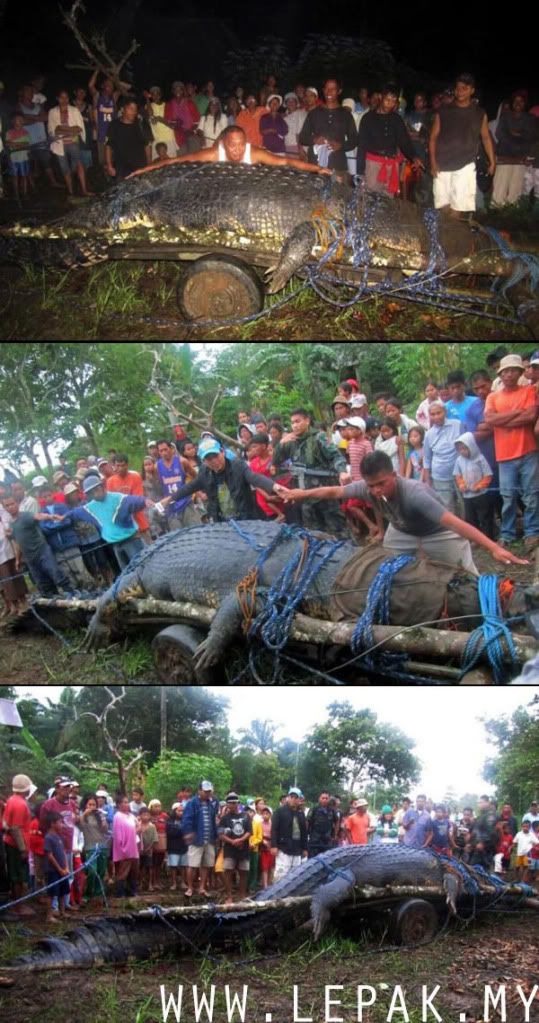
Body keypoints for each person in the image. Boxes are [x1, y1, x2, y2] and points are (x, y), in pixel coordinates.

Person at [275, 450, 528, 574]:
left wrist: (492, 547)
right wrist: (301, 494)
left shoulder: (415, 493)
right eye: (371, 485)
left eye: (382, 483)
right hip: (401, 531)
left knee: (468, 576)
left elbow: (455, 523)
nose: (375, 490)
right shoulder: (367, 487)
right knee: (389, 568)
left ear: (394, 475)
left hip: (438, 533)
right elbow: (334, 492)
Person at [128, 124, 331, 178]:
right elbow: (176, 161)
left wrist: (317, 168)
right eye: (232, 145)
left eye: (241, 144)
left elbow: (286, 161)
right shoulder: (214, 154)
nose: (237, 150)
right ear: (224, 144)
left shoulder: (254, 153)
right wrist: (144, 169)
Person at [485, 354, 539, 550]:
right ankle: (507, 534)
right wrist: (517, 413)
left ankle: (532, 532)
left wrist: (504, 420)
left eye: (513, 370)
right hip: (505, 455)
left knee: (531, 495)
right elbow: (490, 420)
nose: (509, 374)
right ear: (500, 374)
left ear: (520, 372)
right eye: (505, 371)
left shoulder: (529, 391)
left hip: (528, 451)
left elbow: (531, 415)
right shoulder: (493, 396)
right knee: (508, 496)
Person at [272, 409, 349, 536]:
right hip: (305, 497)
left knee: (338, 529)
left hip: (325, 492)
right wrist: (281, 444)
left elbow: (336, 456)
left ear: (307, 421)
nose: (295, 425)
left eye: (298, 421)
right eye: (292, 423)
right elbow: (275, 463)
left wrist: (342, 472)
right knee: (313, 533)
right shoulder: (290, 441)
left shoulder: (319, 437)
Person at [167, 437, 278, 523]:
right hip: (222, 522)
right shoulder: (204, 473)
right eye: (209, 459)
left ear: (222, 452)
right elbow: (189, 488)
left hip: (247, 518)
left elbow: (254, 477)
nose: (214, 461)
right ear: (204, 461)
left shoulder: (238, 466)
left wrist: (274, 487)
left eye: (215, 456)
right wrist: (170, 499)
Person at [429, 73, 496, 216]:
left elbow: (485, 138)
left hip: (465, 164)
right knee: (442, 205)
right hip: (442, 163)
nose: (460, 91)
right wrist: (433, 162)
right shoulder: (444, 110)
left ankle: (452, 237)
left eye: (464, 88)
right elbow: (433, 137)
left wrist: (492, 161)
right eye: (458, 88)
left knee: (457, 206)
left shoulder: (479, 113)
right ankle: (443, 235)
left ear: (472, 90)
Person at [60, 477, 154, 570]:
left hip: (131, 540)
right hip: (115, 545)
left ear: (102, 486)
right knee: (127, 573)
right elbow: (76, 512)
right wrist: (64, 516)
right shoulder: (90, 507)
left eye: (96, 489)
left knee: (143, 567)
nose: (95, 494)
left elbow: (133, 500)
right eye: (91, 492)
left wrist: (145, 501)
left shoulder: (117, 498)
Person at [356, 83, 423, 195]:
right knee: (370, 199)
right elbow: (362, 145)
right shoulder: (368, 118)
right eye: (387, 99)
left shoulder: (397, 120)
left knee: (387, 203)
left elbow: (404, 141)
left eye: (393, 101)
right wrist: (360, 171)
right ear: (381, 97)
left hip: (391, 166)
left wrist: (414, 157)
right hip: (373, 165)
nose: (390, 104)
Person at [1, 495, 73, 597]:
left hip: (42, 551)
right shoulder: (11, 525)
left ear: (16, 503)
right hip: (29, 558)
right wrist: (17, 559)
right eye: (7, 505)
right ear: (4, 508)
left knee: (55, 572)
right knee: (41, 582)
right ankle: (53, 600)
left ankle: (70, 592)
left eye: (12, 504)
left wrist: (52, 516)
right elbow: (17, 543)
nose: (10, 507)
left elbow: (38, 516)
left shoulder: (25, 516)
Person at [298, 78, 358, 177]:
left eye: (333, 89)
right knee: (314, 192)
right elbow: (302, 137)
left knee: (337, 192)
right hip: (315, 165)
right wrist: (314, 139)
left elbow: (354, 139)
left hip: (337, 165)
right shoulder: (314, 113)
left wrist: (341, 145)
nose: (328, 92)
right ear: (323, 90)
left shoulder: (346, 115)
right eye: (326, 88)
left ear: (339, 91)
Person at [492, 92, 536, 207]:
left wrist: (513, 133)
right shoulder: (505, 116)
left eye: (521, 101)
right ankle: (496, 212)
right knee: (499, 188)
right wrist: (519, 135)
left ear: (525, 104)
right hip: (505, 157)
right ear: (512, 103)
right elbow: (500, 134)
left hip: (521, 158)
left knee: (515, 190)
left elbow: (531, 136)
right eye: (516, 101)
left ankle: (511, 214)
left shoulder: (530, 119)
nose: (518, 103)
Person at [48, 90, 92, 198]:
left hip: (73, 142)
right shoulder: (53, 112)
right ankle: (71, 192)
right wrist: (70, 130)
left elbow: (79, 128)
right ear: (58, 99)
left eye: (66, 97)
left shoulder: (74, 110)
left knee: (78, 164)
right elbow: (53, 130)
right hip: (59, 144)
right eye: (62, 97)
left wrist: (62, 129)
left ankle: (84, 190)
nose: (64, 100)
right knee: (65, 168)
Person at [453, 434, 496, 540]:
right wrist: (461, 484)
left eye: (464, 448)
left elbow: (488, 475)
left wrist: (480, 485)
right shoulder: (459, 460)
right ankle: (476, 539)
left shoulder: (480, 459)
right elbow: (457, 475)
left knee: (484, 517)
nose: (462, 451)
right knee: (471, 518)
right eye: (460, 449)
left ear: (471, 446)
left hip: (481, 494)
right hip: (467, 496)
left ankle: (488, 538)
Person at [423, 402, 463, 514]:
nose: (436, 417)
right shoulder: (428, 434)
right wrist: (428, 481)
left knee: (465, 504)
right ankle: (453, 531)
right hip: (440, 476)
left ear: (445, 412)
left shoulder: (457, 425)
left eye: (438, 413)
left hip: (460, 473)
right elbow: (427, 459)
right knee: (447, 507)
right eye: (432, 414)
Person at [182, 782, 219, 899]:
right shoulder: (192, 803)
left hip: (209, 839)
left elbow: (213, 821)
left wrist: (216, 836)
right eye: (205, 791)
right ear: (199, 791)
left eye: (209, 791)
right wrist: (188, 833)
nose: (208, 793)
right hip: (196, 839)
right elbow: (187, 820)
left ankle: (202, 887)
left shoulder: (211, 804)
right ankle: (190, 888)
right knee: (192, 865)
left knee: (206, 864)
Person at [155, 439, 201, 531]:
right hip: (170, 507)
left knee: (196, 531)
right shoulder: (156, 466)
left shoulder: (182, 461)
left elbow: (196, 477)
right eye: (161, 451)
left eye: (165, 449)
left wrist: (197, 494)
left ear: (171, 449)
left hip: (186, 502)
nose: (164, 453)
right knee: (179, 536)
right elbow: (158, 486)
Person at [3, 774, 33, 914]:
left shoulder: (11, 800)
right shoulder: (20, 804)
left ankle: (17, 904)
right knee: (18, 876)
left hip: (11, 843)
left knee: (17, 875)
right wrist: (23, 849)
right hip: (16, 845)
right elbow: (15, 828)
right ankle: (18, 907)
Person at [106, 454, 151, 545]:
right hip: (123, 525)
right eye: (118, 465)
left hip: (139, 520)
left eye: (123, 465)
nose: (120, 468)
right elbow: (111, 503)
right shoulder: (110, 481)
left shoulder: (135, 477)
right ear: (114, 466)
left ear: (127, 465)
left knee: (149, 547)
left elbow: (138, 499)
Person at [104, 100, 152, 180]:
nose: (134, 112)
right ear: (123, 109)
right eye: (131, 108)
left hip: (140, 167)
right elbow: (108, 145)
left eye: (135, 109)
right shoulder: (114, 125)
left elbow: (147, 145)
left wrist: (149, 165)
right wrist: (109, 165)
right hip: (122, 168)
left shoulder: (142, 124)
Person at [218, 793, 252, 905]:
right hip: (229, 849)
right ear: (227, 804)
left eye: (234, 803)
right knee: (228, 871)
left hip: (244, 849)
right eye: (229, 803)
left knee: (244, 872)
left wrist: (241, 839)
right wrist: (232, 841)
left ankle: (242, 895)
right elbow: (221, 834)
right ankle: (229, 896)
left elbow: (249, 831)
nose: (231, 805)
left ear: (237, 803)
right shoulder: (224, 818)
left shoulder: (246, 816)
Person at [271, 788, 308, 881]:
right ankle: (277, 895)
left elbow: (304, 832)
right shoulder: (279, 812)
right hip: (283, 849)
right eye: (291, 797)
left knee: (295, 877)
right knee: (280, 876)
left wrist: (305, 848)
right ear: (288, 797)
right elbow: (274, 829)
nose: (293, 799)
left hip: (297, 849)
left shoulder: (301, 814)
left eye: (296, 797)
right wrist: (274, 845)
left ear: (300, 800)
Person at [79, 794, 108, 905]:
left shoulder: (100, 815)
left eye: (94, 804)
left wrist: (103, 821)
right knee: (92, 871)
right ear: (85, 805)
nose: (92, 806)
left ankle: (98, 894)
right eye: (90, 804)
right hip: (90, 846)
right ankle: (87, 893)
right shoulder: (83, 815)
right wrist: (85, 814)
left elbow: (105, 830)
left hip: (102, 845)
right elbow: (80, 826)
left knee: (101, 871)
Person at [0, 500, 27, 616]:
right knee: (6, 582)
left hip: (9, 548)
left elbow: (9, 523)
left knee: (16, 576)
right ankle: (15, 605)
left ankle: (24, 602)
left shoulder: (2, 510)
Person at [43, 812, 71, 924]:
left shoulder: (59, 837)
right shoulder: (48, 838)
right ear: (52, 824)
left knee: (63, 891)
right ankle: (49, 916)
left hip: (62, 870)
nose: (62, 824)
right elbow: (49, 856)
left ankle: (62, 912)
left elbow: (63, 853)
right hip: (53, 871)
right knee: (51, 893)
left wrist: (66, 867)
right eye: (60, 822)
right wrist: (59, 869)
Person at [112, 794, 140, 898]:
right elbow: (117, 834)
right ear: (119, 804)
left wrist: (135, 831)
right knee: (123, 870)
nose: (127, 804)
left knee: (134, 870)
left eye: (127, 802)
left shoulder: (131, 815)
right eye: (124, 802)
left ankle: (132, 891)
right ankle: (120, 893)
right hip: (124, 848)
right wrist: (122, 848)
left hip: (133, 847)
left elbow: (138, 827)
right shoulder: (117, 816)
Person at [144, 85, 177, 159]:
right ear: (151, 96)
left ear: (160, 95)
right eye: (153, 94)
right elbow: (150, 114)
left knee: (171, 162)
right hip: (157, 139)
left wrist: (160, 119)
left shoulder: (167, 105)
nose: (155, 96)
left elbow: (172, 125)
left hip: (169, 138)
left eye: (157, 94)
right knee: (157, 165)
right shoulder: (149, 105)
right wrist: (147, 98)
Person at [5, 113, 32, 200]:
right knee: (14, 177)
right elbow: (9, 144)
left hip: (24, 157)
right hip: (13, 158)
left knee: (24, 176)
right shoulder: (9, 132)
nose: (20, 121)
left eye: (22, 120)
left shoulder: (26, 132)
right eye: (18, 120)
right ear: (13, 121)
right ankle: (16, 194)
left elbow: (27, 144)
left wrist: (15, 144)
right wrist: (20, 144)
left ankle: (24, 193)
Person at [470, 796, 499, 871]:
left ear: (487, 803)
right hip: (477, 847)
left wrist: (483, 843)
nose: (479, 805)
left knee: (482, 870)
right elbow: (477, 830)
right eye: (478, 803)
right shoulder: (481, 816)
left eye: (481, 802)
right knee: (474, 869)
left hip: (485, 849)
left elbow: (491, 831)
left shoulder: (490, 815)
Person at [307, 792, 338, 859]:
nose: (324, 800)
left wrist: (335, 835)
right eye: (323, 798)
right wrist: (306, 835)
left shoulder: (332, 811)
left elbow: (337, 821)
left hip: (327, 841)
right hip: (314, 841)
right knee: (312, 862)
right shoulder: (314, 809)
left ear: (329, 799)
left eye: (326, 798)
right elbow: (307, 822)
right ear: (319, 799)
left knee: (326, 862)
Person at [167, 804, 188, 892]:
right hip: (173, 846)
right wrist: (181, 830)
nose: (181, 813)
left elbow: (188, 831)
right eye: (179, 811)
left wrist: (179, 830)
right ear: (174, 811)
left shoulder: (186, 820)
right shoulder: (169, 821)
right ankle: (174, 883)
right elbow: (171, 832)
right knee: (173, 866)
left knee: (183, 866)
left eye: (182, 811)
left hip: (184, 846)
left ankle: (183, 882)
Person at [148, 799, 168, 890]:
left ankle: (157, 881)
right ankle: (151, 882)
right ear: (151, 807)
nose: (157, 808)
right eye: (155, 806)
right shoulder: (148, 816)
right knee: (152, 863)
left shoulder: (164, 816)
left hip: (162, 842)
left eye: (159, 806)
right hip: (151, 842)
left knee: (159, 863)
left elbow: (168, 827)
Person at [138, 807, 158, 893]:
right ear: (140, 816)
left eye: (147, 815)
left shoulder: (152, 826)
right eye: (143, 815)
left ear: (150, 816)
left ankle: (150, 884)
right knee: (140, 867)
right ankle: (141, 883)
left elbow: (155, 840)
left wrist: (149, 848)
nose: (145, 817)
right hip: (139, 851)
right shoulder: (137, 825)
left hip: (149, 851)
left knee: (149, 867)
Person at [284, 93, 307, 157]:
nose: (291, 103)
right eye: (288, 101)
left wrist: (301, 149)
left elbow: (300, 133)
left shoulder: (302, 114)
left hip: (299, 148)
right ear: (285, 104)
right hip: (287, 148)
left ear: (297, 103)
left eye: (293, 101)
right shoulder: (284, 117)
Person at [260, 807, 275, 889]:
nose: (265, 815)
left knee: (271, 866)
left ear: (270, 814)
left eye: (267, 813)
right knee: (264, 867)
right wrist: (263, 841)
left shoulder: (272, 824)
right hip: (263, 847)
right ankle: (265, 885)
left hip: (271, 846)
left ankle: (269, 884)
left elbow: (275, 835)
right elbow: (258, 835)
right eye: (264, 814)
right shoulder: (260, 824)